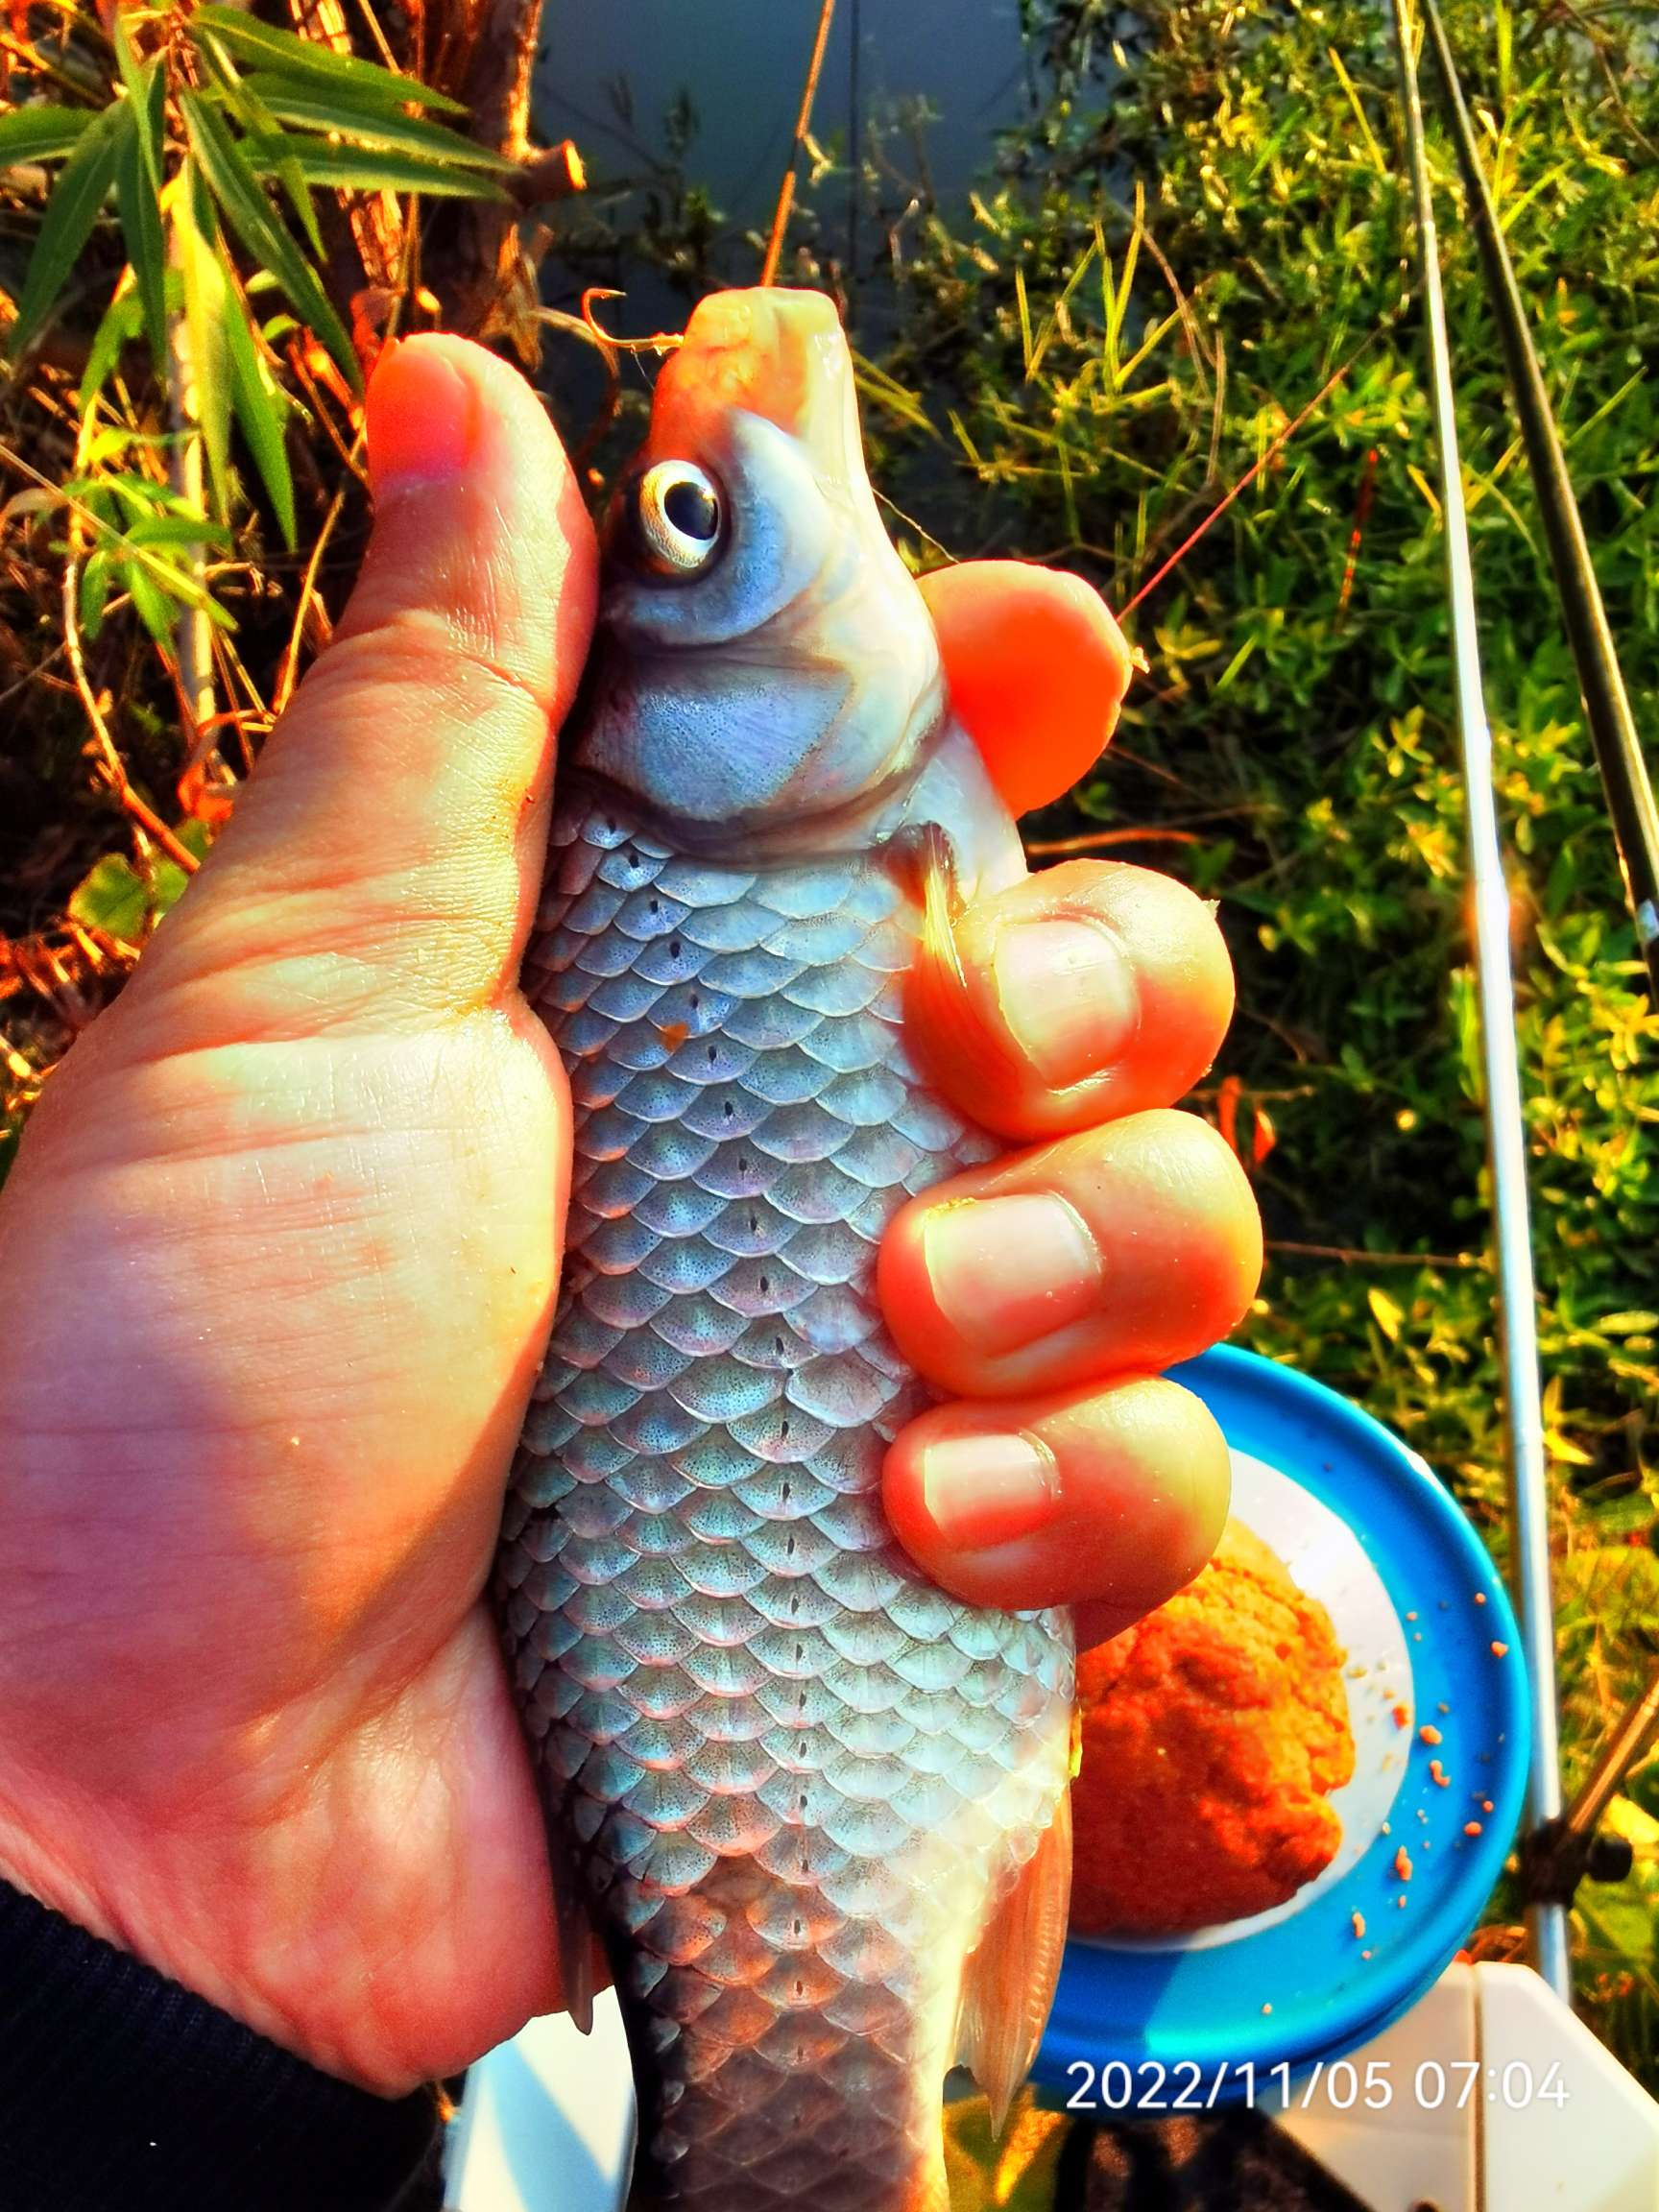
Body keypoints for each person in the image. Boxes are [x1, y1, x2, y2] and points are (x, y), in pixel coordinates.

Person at [0, 335, 1262, 2211]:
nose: (730, 512)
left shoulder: (717, 849)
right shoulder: (766, 840)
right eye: (690, 527)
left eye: (695, 529)